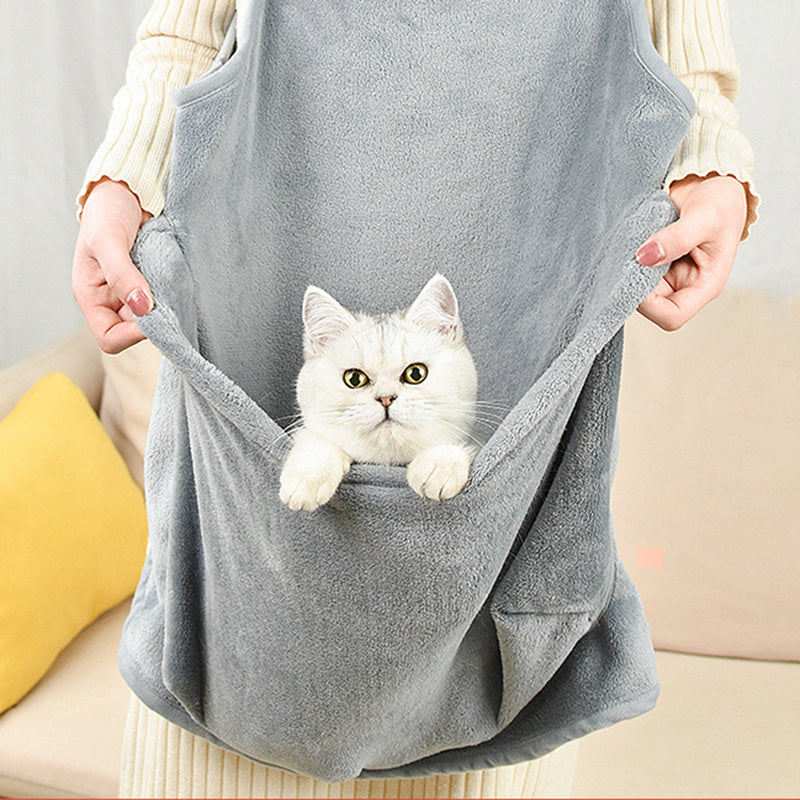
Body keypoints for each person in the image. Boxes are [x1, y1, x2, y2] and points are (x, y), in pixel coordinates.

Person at [72, 1, 760, 797]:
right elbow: (184, 32)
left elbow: (687, 56)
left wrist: (712, 165)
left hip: (500, 555)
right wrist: (122, 180)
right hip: (240, 585)